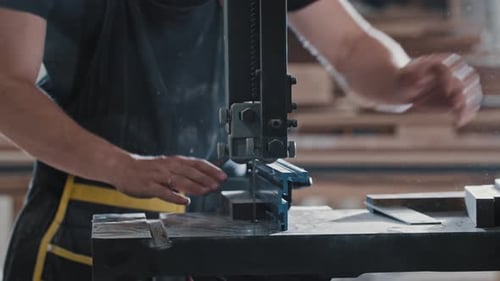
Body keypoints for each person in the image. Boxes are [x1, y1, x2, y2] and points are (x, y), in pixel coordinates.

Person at [0, 0, 483, 280]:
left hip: (212, 225)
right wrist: (124, 166)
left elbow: (351, 46)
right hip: (84, 228)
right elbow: (7, 87)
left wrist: (402, 80)